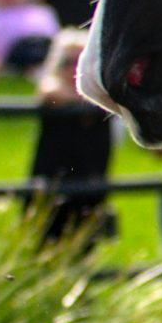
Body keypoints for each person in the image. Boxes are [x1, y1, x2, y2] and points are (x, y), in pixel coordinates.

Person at [29, 28, 115, 244]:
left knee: (85, 248)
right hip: (53, 188)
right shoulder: (54, 92)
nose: (73, 68)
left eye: (79, 61)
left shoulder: (103, 95)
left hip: (91, 187)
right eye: (66, 62)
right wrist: (88, 100)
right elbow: (49, 91)